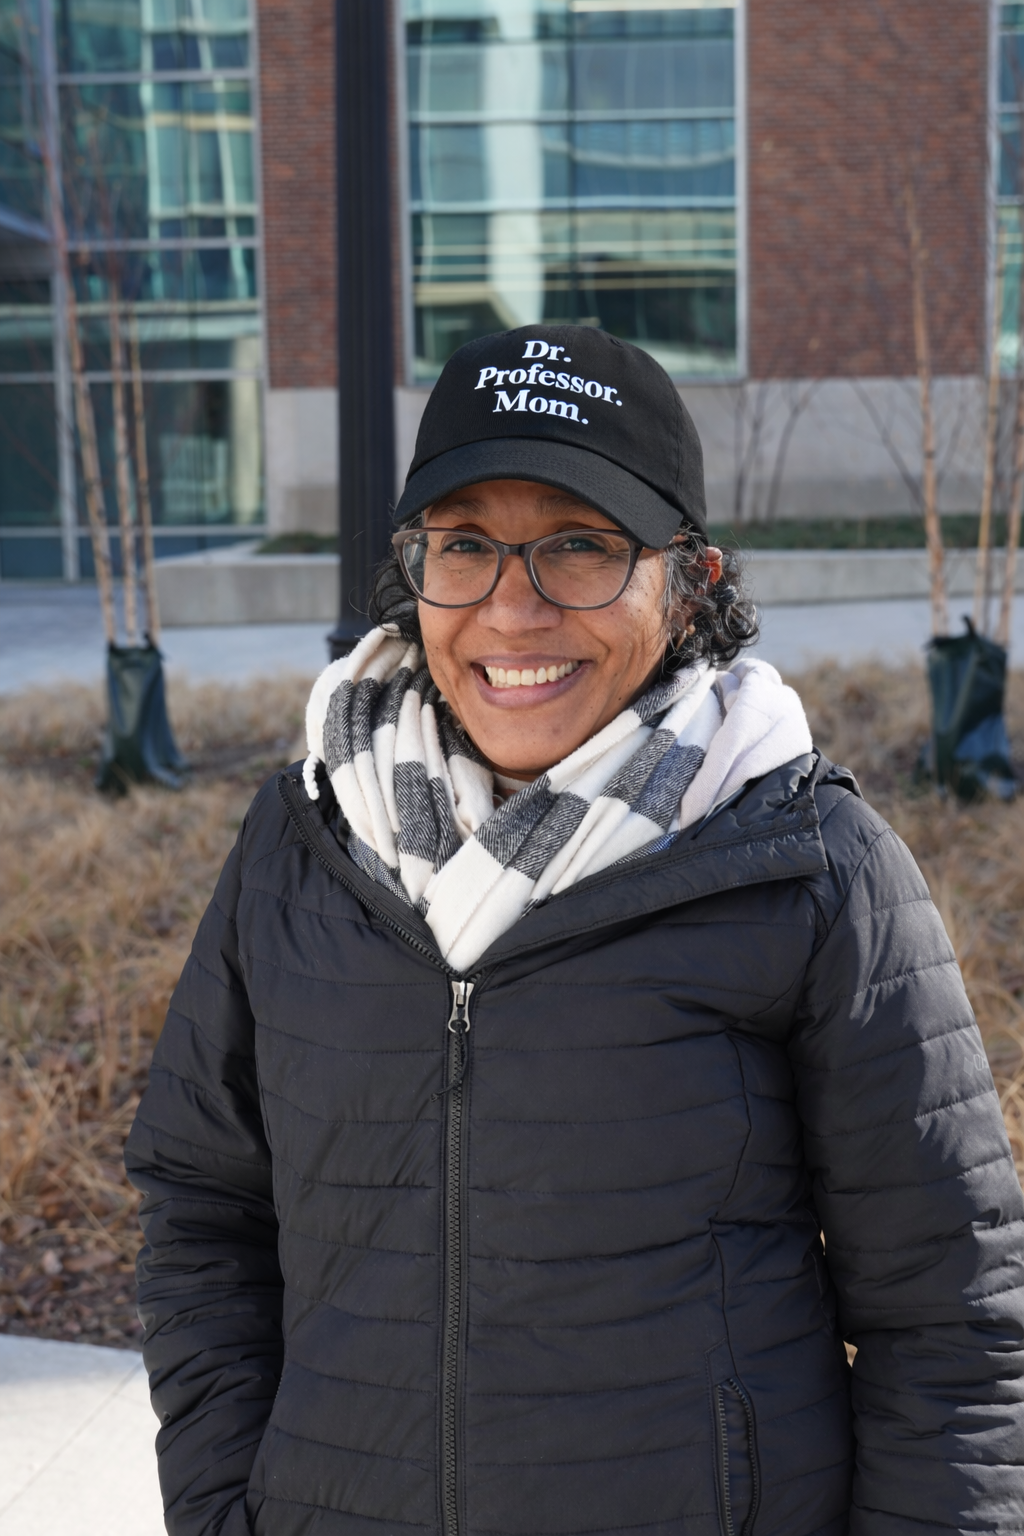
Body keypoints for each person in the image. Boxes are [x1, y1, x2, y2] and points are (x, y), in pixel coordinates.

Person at [126, 326, 1024, 1536]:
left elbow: (951, 1318)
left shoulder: (805, 865)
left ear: (687, 580)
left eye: (579, 548)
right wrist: (227, 1503)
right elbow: (203, 1206)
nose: (512, 609)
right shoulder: (304, 841)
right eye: (466, 547)